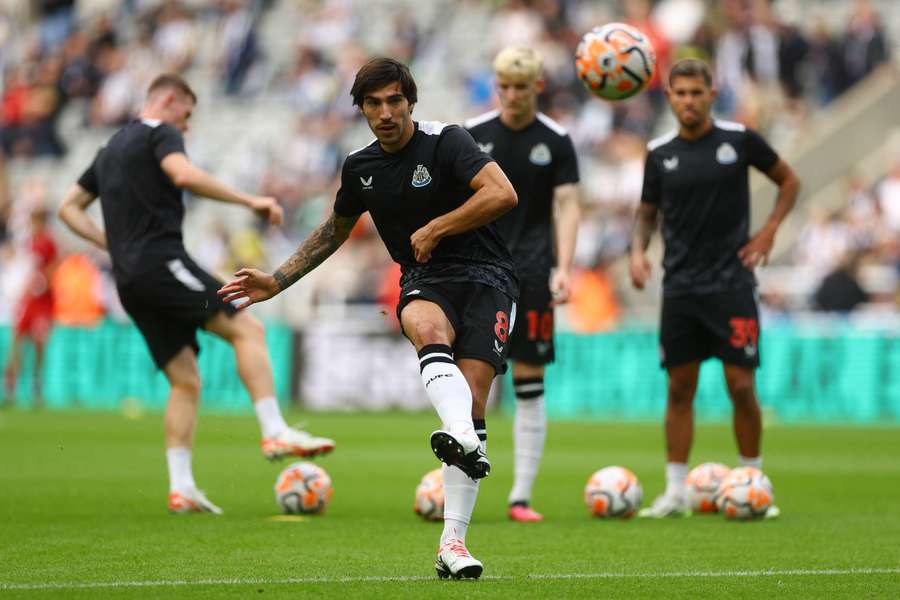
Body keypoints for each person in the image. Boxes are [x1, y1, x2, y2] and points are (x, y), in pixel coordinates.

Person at [219, 58, 518, 580]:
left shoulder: (446, 141)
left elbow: (502, 193)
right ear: (360, 109)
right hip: (425, 278)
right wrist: (278, 278)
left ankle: (453, 541)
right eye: (373, 104)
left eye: (394, 101)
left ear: (410, 102)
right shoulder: (360, 167)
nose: (385, 113)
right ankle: (463, 442)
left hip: (489, 276)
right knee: (425, 329)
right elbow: (334, 231)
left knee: (472, 402)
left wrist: (438, 227)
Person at [56, 73, 335, 515]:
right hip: (163, 264)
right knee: (248, 328)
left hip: (129, 280)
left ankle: (182, 487)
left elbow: (67, 207)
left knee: (185, 381)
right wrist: (250, 201)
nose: (185, 127)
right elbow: (181, 174)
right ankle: (274, 429)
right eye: (186, 115)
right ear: (168, 100)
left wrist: (110, 244)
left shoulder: (108, 149)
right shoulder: (160, 133)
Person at [630, 59, 799, 518]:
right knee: (680, 387)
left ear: (711, 92)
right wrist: (637, 251)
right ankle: (675, 491)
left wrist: (768, 232)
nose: (688, 100)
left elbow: (789, 180)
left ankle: (754, 479)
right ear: (669, 97)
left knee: (741, 384)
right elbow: (647, 212)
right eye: (680, 93)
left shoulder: (739, 140)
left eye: (695, 92)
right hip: (681, 286)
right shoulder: (659, 152)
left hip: (732, 284)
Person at [465, 47, 580, 523]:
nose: (511, 95)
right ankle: (461, 484)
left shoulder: (556, 140)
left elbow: (568, 205)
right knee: (473, 382)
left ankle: (521, 496)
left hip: (531, 273)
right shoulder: (472, 135)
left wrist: (565, 266)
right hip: (477, 271)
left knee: (530, 379)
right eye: (504, 86)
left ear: (537, 87)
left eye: (521, 86)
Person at [4, 207, 58, 406]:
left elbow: (54, 268)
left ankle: (37, 390)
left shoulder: (48, 243)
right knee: (17, 342)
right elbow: (25, 270)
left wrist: (44, 281)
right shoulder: (29, 244)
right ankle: (10, 390)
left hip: (43, 304)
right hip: (28, 301)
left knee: (38, 346)